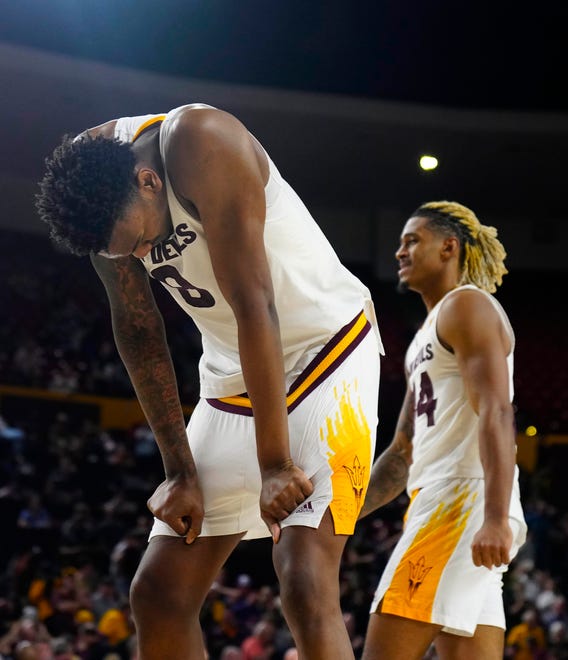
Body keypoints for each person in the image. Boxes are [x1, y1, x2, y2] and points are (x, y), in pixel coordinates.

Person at [36, 103, 383, 659]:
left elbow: (255, 303)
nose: (145, 256)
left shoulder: (204, 142)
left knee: (302, 571)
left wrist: (274, 464)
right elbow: (139, 330)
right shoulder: (96, 188)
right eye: (129, 253)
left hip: (328, 349)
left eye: (143, 241)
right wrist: (179, 472)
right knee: (158, 592)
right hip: (230, 373)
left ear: (148, 181)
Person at [359, 201, 527, 660]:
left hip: (462, 501)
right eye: (399, 243)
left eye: (412, 240)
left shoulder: (467, 305)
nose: (400, 251)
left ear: (449, 247)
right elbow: (401, 453)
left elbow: (496, 410)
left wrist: (493, 516)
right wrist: (340, 514)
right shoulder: (424, 336)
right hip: (442, 498)